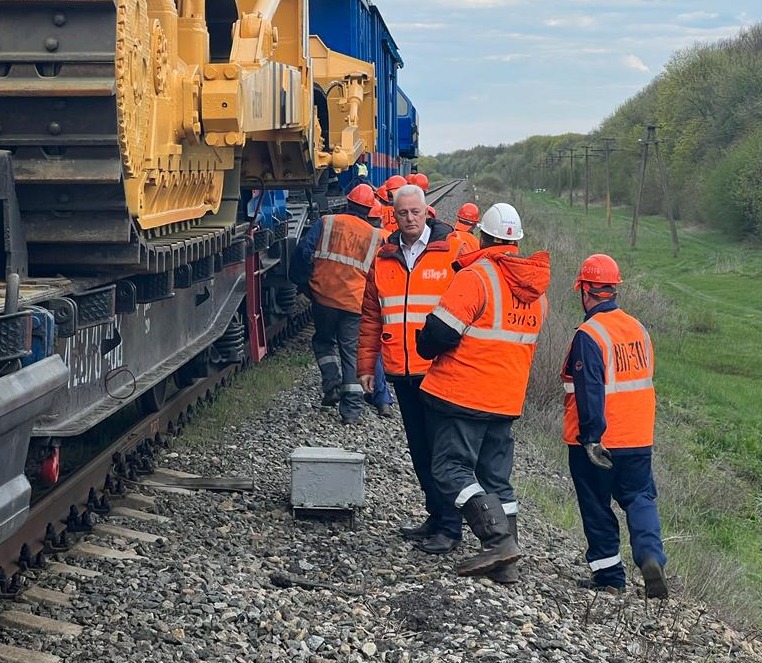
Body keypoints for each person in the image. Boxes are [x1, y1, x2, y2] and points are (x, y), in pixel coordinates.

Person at [416, 202, 550, 580]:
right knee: (496, 478)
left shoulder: (478, 276)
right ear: (517, 242)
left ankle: (496, 540)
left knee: (449, 468)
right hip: (507, 399)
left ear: (484, 237)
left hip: (465, 393)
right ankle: (506, 565)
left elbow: (440, 333)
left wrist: (423, 344)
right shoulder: (537, 292)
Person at [358, 183, 468, 554]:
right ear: (395, 213)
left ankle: (450, 528)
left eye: (415, 213)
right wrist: (365, 366)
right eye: (402, 213)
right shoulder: (385, 257)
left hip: (439, 371)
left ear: (426, 212)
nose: (409, 219)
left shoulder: (451, 251)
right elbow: (372, 315)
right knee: (420, 451)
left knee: (441, 452)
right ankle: (436, 517)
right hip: (402, 372)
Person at [561, 254, 668, 599]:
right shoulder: (638, 328)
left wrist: (591, 438)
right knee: (639, 498)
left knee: (596, 504)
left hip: (600, 441)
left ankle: (609, 577)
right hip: (638, 437)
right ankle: (651, 557)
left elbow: (590, 390)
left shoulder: (589, 334)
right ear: (614, 290)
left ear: (585, 291)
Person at [289, 183, 385, 424]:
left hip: (324, 297)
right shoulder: (375, 236)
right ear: (370, 209)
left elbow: (303, 251)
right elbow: (379, 274)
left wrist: (302, 281)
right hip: (355, 303)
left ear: (347, 202)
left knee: (323, 341)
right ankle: (351, 410)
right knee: (351, 352)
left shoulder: (327, 221)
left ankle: (331, 384)